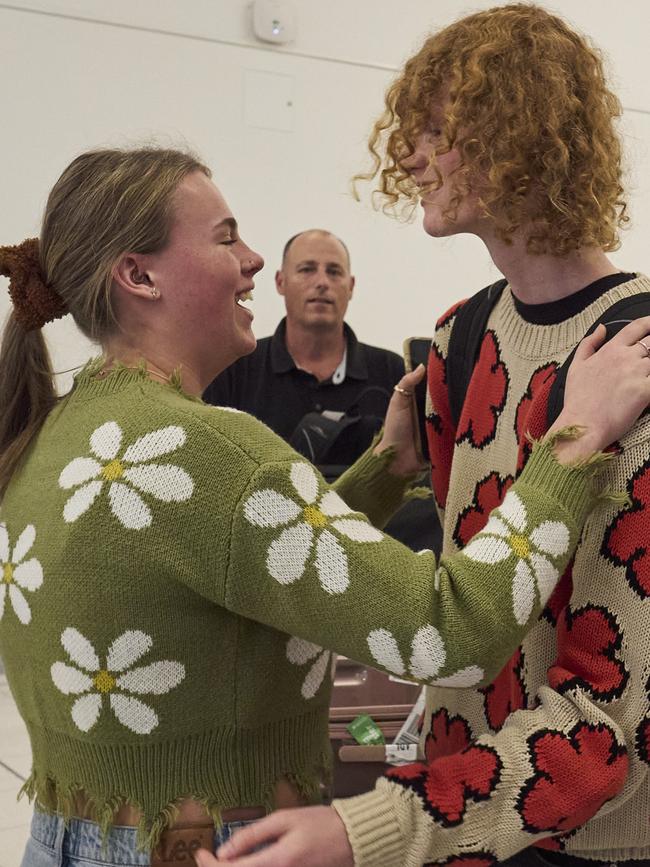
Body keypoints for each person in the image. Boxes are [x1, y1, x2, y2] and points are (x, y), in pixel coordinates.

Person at [0, 149, 647, 867]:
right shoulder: (204, 449)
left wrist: (382, 471)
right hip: (209, 846)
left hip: (67, 839)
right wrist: (572, 443)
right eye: (224, 237)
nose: (253, 261)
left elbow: (235, 562)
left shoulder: (53, 434)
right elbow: (448, 633)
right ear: (139, 274)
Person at [204, 5, 650, 867]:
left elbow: (610, 714)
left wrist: (370, 829)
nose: (410, 154)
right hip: (466, 810)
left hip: (594, 835)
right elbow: (463, 603)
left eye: (439, 129)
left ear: (520, 136)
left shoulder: (632, 354)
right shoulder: (457, 343)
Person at [204, 228, 440, 552]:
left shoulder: (398, 377)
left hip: (373, 557)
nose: (321, 282)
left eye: (334, 271)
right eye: (307, 269)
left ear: (351, 287)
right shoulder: (233, 369)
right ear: (280, 282)